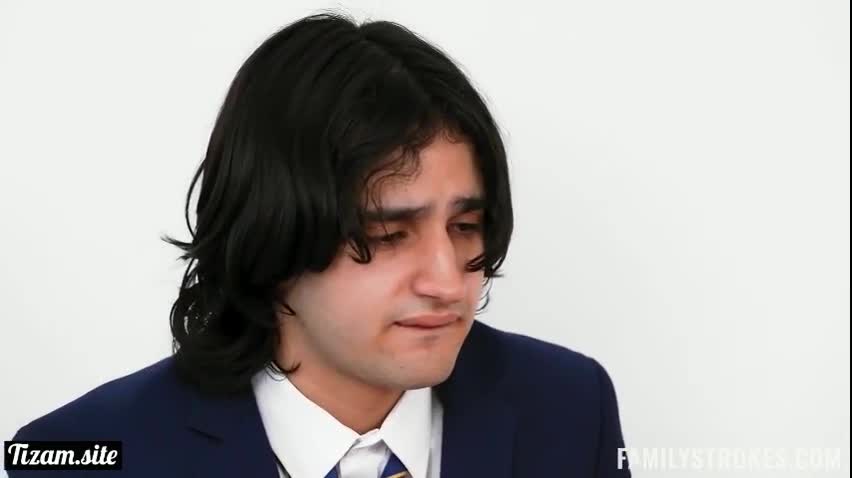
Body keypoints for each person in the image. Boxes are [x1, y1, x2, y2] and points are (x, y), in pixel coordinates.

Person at [9, 12, 631, 478]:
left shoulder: (571, 410)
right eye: (389, 236)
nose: (448, 281)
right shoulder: (82, 455)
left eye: (465, 226)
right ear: (272, 236)